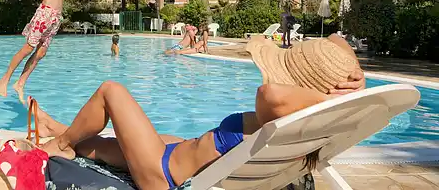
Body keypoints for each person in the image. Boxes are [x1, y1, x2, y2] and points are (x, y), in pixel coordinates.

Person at [37, 36, 366, 189]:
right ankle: (62, 128)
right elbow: (338, 39)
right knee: (115, 143)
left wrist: (330, 99)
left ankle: (62, 141)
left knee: (112, 90)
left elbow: (269, 92)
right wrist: (352, 84)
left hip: (164, 175)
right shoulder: (317, 124)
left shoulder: (279, 109)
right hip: (184, 152)